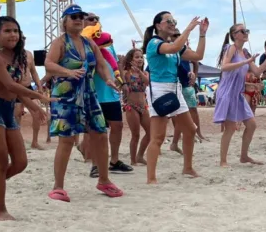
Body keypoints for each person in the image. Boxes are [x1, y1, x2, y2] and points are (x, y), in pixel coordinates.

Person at [0, 17, 48, 220]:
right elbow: (10, 85)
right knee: (2, 161)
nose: (13, 34)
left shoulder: (20, 57)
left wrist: (34, 107)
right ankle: (0, 210)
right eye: (7, 31)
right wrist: (39, 96)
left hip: (8, 108)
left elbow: (16, 91)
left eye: (15, 30)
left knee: (21, 162)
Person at [45, 4, 124, 201]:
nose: (79, 19)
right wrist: (68, 72)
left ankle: (104, 180)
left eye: (81, 16)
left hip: (89, 94)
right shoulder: (60, 43)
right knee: (67, 140)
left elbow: (101, 64)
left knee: (100, 134)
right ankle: (58, 187)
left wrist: (108, 79)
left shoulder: (89, 43)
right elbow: (49, 64)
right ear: (65, 21)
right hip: (66, 96)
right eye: (74, 17)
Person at [143, 11, 208, 184]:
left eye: (174, 21)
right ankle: (151, 178)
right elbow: (171, 48)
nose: (172, 24)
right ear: (158, 25)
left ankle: (187, 167)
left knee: (190, 129)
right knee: (157, 136)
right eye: (169, 21)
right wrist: (188, 29)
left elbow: (198, 56)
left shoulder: (174, 45)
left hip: (175, 89)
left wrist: (202, 34)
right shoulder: (154, 43)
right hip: (159, 90)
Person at [213, 23, 266, 166]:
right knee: (230, 127)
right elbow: (225, 66)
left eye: (247, 30)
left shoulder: (245, 52)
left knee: (251, 125)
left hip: (237, 93)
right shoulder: (231, 48)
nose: (246, 33)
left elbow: (258, 72)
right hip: (227, 92)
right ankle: (223, 161)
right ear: (235, 35)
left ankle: (244, 156)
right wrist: (246, 62)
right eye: (243, 31)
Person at [88, 27, 132, 175]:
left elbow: (115, 63)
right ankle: (95, 164)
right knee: (97, 130)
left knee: (117, 126)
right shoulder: (84, 43)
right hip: (93, 92)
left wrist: (123, 82)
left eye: (96, 19)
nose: (95, 21)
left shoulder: (107, 43)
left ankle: (114, 160)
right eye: (91, 19)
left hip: (111, 92)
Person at [13, 47, 47, 150]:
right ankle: (17, 142)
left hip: (28, 87)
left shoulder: (29, 54)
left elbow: (34, 72)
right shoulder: (10, 54)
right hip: (16, 87)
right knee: (17, 114)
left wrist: (39, 86)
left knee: (36, 113)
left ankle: (35, 142)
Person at [120, 48, 150, 166]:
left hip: (144, 106)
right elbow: (120, 77)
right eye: (137, 57)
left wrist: (140, 71)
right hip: (131, 106)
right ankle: (133, 160)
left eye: (141, 57)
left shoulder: (145, 73)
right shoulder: (127, 73)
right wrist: (122, 64)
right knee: (135, 134)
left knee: (150, 132)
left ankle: (140, 156)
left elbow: (147, 82)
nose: (140, 59)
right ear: (131, 59)